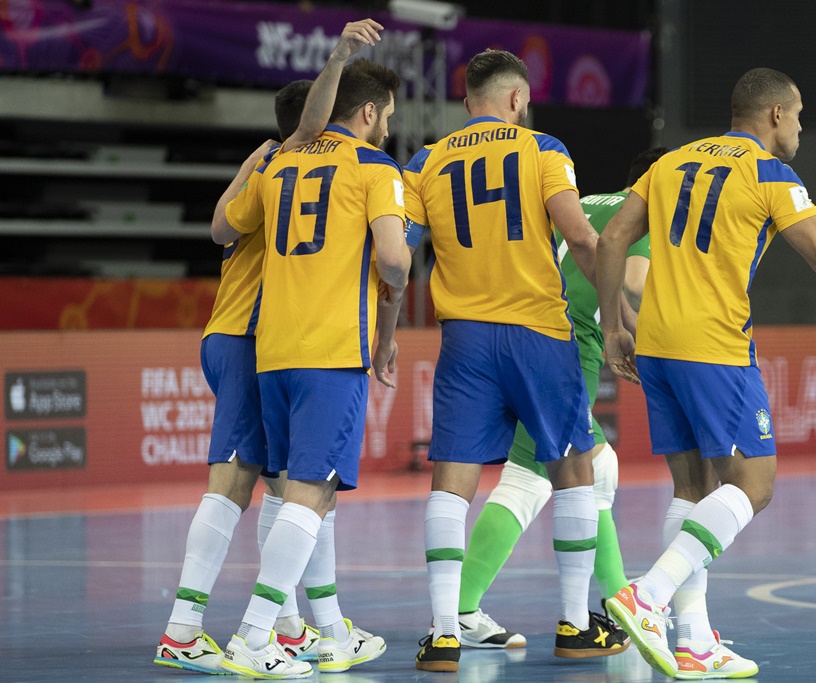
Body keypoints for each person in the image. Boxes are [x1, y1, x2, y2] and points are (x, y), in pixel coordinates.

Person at [596, 68, 816, 679]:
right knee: (755, 485)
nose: (798, 126)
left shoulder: (671, 163)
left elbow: (612, 240)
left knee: (694, 489)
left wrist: (614, 327)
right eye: (797, 115)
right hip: (714, 345)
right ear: (774, 115)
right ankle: (650, 595)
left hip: (656, 343)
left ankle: (692, 641)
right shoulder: (771, 173)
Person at [153, 20, 389, 676]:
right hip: (267, 339)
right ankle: (242, 628)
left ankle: (282, 624)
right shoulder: (309, 164)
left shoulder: (269, 164)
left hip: (230, 333)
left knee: (281, 485)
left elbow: (217, 226)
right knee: (281, 487)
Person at [402, 49, 634, 672]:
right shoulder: (543, 148)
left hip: (466, 339)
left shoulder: (427, 161)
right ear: (515, 99)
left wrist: (382, 324)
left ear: (468, 100)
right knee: (573, 472)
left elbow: (396, 253)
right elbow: (581, 236)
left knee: (453, 481)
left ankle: (445, 633)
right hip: (537, 332)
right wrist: (612, 321)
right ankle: (575, 623)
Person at [210, 31, 411, 678]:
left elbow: (223, 228)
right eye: (388, 115)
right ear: (370, 113)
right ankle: (257, 632)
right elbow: (391, 257)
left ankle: (317, 628)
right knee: (311, 491)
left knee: (297, 491)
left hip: (272, 349)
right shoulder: (376, 168)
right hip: (331, 347)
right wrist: (396, 296)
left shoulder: (279, 162)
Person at [449, 147, 666, 650]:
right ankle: (461, 608)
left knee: (598, 468)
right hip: (568, 347)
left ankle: (618, 601)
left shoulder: (586, 200)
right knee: (530, 477)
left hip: (516, 329)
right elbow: (634, 283)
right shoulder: (646, 215)